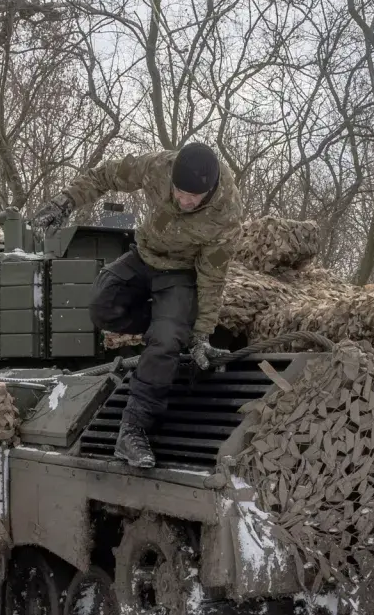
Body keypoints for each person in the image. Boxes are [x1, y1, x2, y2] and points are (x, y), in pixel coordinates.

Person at [30, 142, 240, 469]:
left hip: (180, 273)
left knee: (167, 341)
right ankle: (167, 326)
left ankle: (133, 430)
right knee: (103, 306)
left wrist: (201, 334)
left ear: (210, 191)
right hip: (143, 256)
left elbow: (213, 276)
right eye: (179, 192)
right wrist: (67, 200)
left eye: (193, 198)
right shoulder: (158, 167)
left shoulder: (226, 216)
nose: (183, 201)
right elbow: (108, 175)